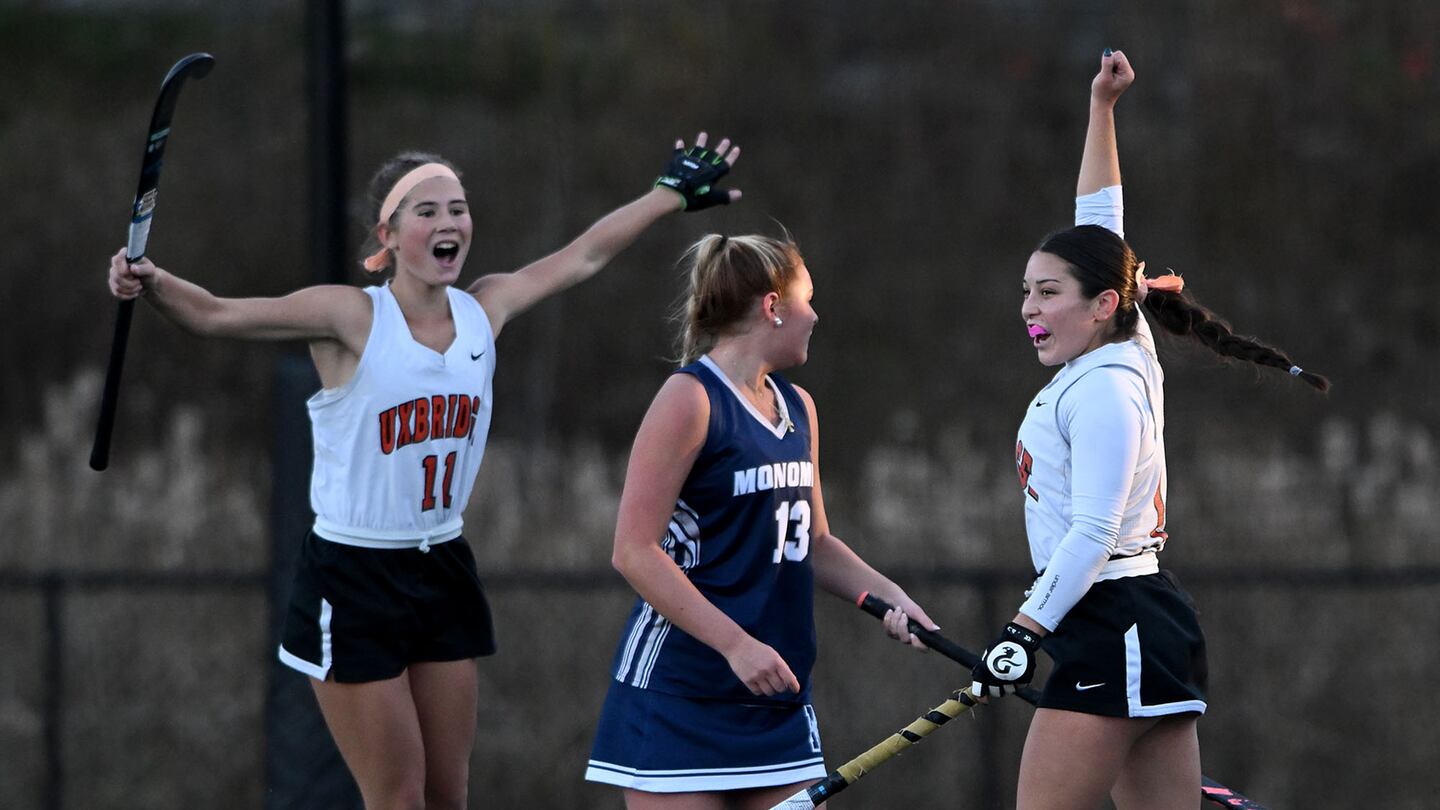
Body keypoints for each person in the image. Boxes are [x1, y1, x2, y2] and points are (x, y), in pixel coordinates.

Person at [106, 133, 742, 810]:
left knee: (447, 797)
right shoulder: (349, 316)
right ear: (389, 233)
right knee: (399, 798)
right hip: (353, 576)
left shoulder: (484, 308)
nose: (448, 223)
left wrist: (665, 196)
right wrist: (150, 282)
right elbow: (215, 315)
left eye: (458, 209)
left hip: (441, 565)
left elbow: (584, 255)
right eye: (427, 211)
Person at [967, 51, 1328, 809]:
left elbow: (1095, 530)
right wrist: (1103, 109)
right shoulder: (1119, 345)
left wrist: (1024, 628)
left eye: (1049, 293)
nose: (1030, 308)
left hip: (1112, 618)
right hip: (1135, 619)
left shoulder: (1102, 389)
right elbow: (1101, 222)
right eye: (1026, 291)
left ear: (1103, 303)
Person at [584, 232, 939, 809]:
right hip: (684, 690)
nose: (816, 316)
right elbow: (634, 549)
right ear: (773, 307)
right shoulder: (691, 398)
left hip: (777, 696)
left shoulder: (799, 407)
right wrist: (736, 646)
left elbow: (815, 542)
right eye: (808, 299)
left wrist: (894, 599)